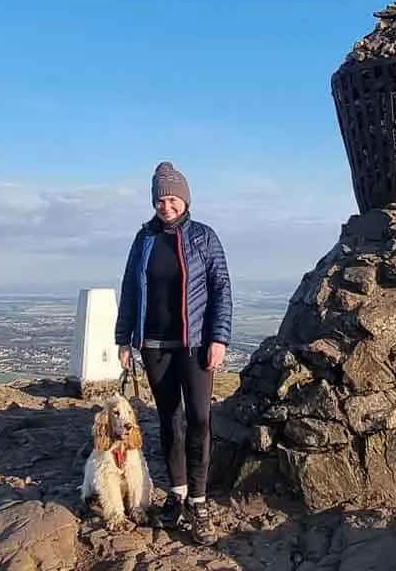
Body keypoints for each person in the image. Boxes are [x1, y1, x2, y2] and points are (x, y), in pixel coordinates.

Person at [114, 161, 233, 546]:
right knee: (169, 420)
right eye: (160, 200)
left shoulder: (204, 237)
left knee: (200, 419)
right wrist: (123, 338)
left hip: (195, 344)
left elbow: (221, 290)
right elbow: (130, 289)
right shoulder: (143, 239)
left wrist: (219, 338)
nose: (166, 206)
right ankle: (177, 495)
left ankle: (199, 501)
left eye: (173, 199)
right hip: (154, 344)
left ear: (185, 200)